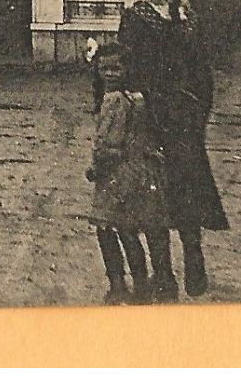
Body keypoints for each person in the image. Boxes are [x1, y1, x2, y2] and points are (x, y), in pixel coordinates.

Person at [118, 0, 229, 300]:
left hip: (151, 117)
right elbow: (203, 75)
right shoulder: (187, 18)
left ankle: (164, 275)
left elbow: (129, 70)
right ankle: (193, 256)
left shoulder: (136, 17)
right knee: (187, 189)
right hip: (185, 119)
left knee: (154, 195)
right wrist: (197, 115)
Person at [86, 41, 171, 304]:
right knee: (131, 228)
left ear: (127, 70)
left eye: (116, 69)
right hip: (141, 171)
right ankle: (145, 282)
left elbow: (108, 145)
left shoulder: (113, 101)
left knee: (108, 228)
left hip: (117, 174)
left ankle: (119, 283)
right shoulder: (138, 99)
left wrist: (95, 169)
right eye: (104, 69)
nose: (109, 74)